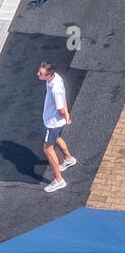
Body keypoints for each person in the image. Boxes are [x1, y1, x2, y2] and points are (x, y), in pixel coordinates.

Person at [36, 60, 75, 193]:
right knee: (57, 137)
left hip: (52, 123)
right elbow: (64, 100)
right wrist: (67, 115)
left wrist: (65, 116)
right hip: (56, 123)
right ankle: (68, 159)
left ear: (49, 75)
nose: (38, 74)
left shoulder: (55, 89)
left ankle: (59, 180)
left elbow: (60, 108)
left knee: (47, 149)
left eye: (41, 73)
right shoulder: (56, 78)